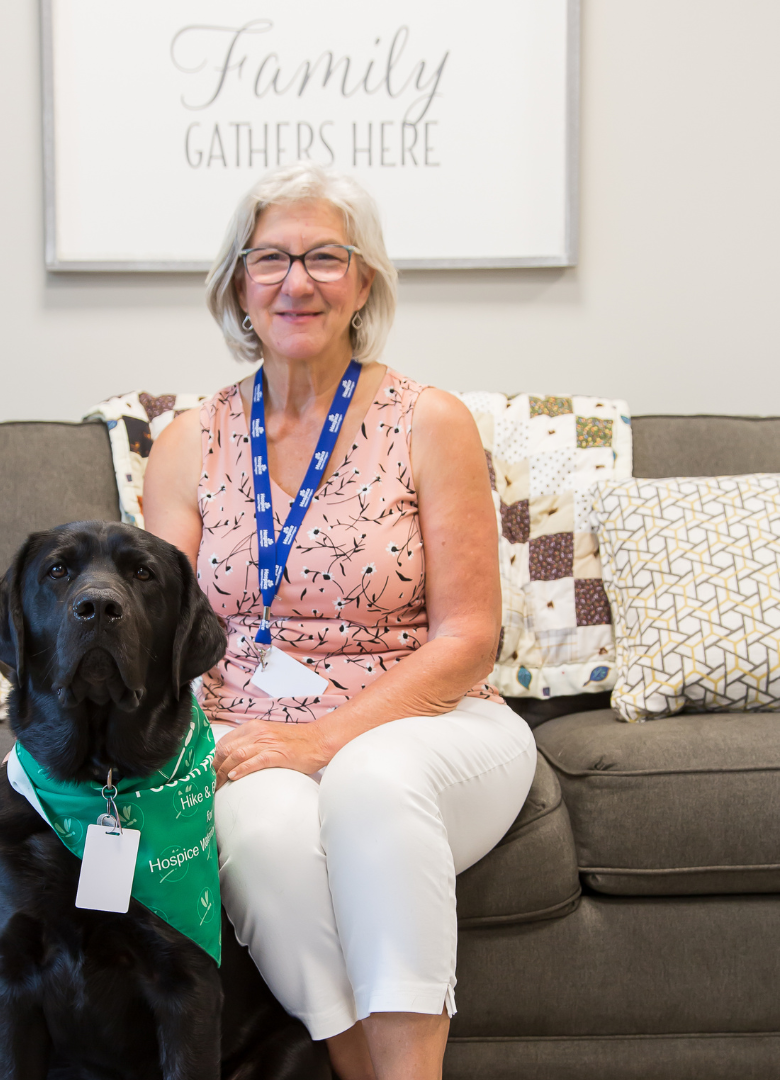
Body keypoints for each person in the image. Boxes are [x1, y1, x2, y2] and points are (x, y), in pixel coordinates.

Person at [143, 163, 535, 1080]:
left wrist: (321, 737)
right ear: (239, 284)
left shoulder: (428, 422)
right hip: (247, 731)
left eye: (326, 256)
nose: (298, 279)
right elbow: (162, 637)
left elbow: (469, 634)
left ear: (363, 282)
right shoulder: (188, 440)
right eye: (271, 257)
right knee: (260, 833)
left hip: (431, 720)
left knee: (368, 780)